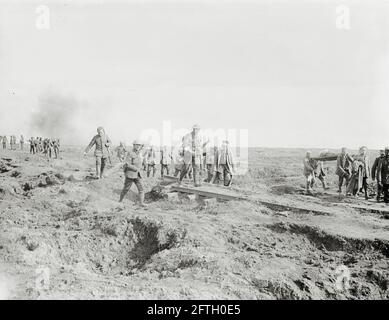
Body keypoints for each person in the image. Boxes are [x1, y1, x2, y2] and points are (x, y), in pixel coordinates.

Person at [119, 140, 146, 207]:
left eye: (139, 145)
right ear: (133, 145)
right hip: (130, 174)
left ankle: (141, 203)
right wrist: (136, 168)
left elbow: (141, 161)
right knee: (126, 189)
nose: (138, 146)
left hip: (138, 174)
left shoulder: (140, 153)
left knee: (141, 189)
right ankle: (120, 200)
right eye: (137, 145)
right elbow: (127, 164)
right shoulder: (130, 153)